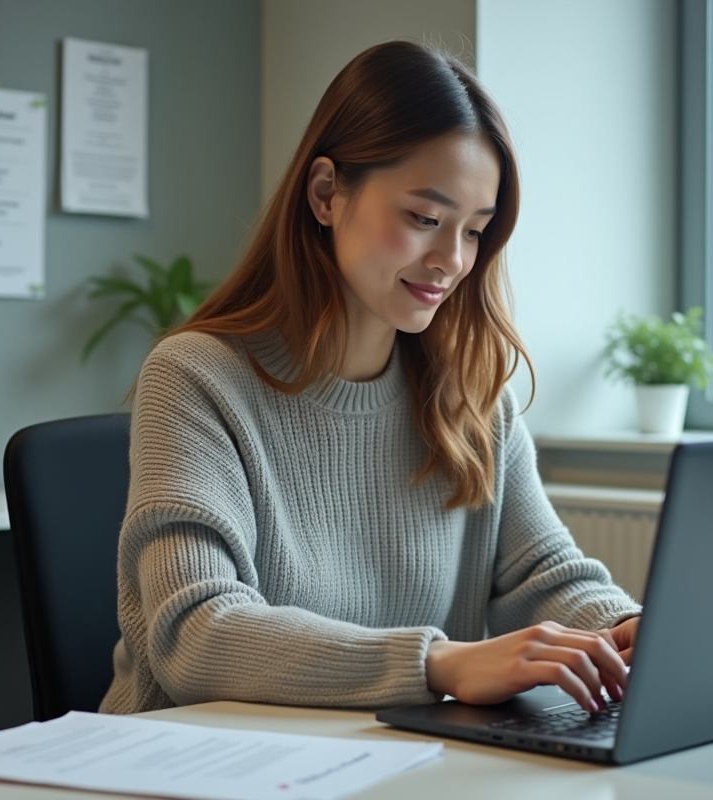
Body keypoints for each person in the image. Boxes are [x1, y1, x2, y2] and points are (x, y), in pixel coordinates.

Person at [100, 40, 641, 718]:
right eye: (424, 219)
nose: (451, 260)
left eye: (474, 232)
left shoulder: (472, 395)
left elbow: (543, 575)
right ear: (327, 193)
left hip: (387, 762)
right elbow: (198, 632)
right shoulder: (197, 378)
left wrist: (626, 629)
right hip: (189, 766)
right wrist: (438, 662)